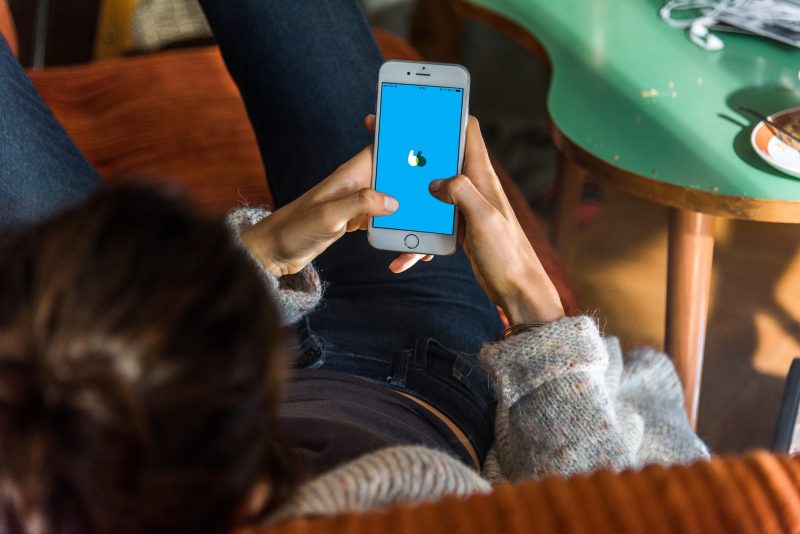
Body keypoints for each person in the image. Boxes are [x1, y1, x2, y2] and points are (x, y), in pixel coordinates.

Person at [0, 1, 709, 532]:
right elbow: (602, 511)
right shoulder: (432, 490)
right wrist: (529, 297)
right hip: (428, 363)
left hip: (179, 392)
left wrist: (257, 259)